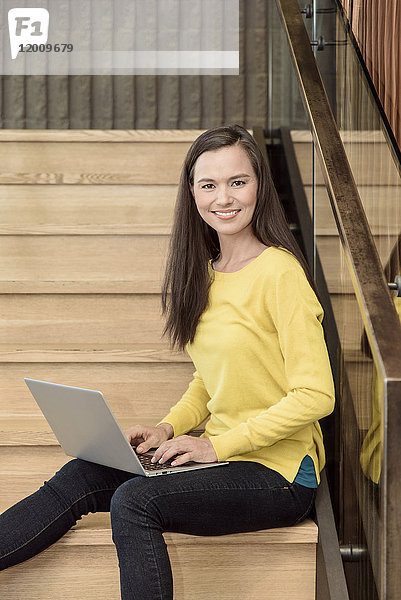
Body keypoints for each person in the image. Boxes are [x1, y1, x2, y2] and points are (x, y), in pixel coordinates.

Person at [0, 124, 335, 599]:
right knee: (84, 472)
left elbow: (316, 395)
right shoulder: (206, 275)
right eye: (209, 184)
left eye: (237, 181)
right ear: (192, 192)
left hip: (279, 473)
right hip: (223, 457)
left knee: (134, 501)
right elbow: (210, 378)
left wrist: (217, 447)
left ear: (260, 185)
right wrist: (168, 429)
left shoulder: (280, 273)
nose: (224, 197)